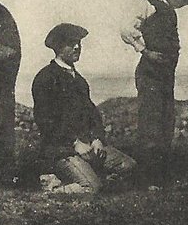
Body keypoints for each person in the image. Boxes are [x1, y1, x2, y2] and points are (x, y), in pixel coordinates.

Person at [32, 23, 136, 194]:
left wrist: (97, 139)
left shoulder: (80, 81)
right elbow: (46, 122)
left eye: (79, 43)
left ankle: (89, 177)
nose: (77, 47)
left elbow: (92, 114)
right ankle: (53, 187)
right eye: (71, 43)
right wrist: (75, 143)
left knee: (129, 167)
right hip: (61, 151)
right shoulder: (45, 78)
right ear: (58, 47)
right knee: (91, 188)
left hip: (88, 148)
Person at [121, 0, 188, 186]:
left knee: (165, 120)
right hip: (151, 71)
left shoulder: (163, 1)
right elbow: (125, 29)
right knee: (151, 122)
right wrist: (145, 51)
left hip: (165, 71)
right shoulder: (144, 3)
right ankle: (149, 177)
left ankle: (160, 175)